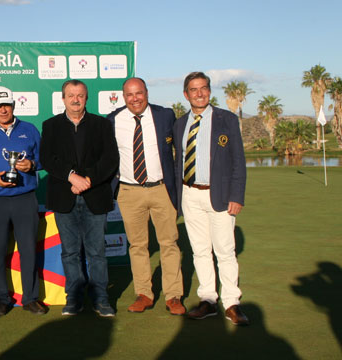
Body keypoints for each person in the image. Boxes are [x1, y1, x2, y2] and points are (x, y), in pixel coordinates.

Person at [174, 71, 248, 325]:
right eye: (194, 89)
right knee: (200, 251)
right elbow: (178, 163)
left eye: (203, 88)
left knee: (225, 251)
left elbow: (239, 161)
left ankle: (232, 303)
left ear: (209, 91)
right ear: (186, 94)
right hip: (190, 194)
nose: (199, 93)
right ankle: (208, 300)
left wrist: (237, 195)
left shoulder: (226, 119)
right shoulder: (180, 123)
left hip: (219, 195)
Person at [40, 80, 119, 317]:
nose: (76, 99)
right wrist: (71, 177)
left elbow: (110, 160)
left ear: (87, 98)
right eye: (71, 95)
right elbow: (47, 158)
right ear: (63, 98)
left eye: (80, 95)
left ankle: (101, 298)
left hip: (95, 196)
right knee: (70, 252)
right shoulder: (51, 125)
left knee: (97, 252)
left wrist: (87, 180)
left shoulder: (102, 125)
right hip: (65, 198)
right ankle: (73, 297)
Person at [107, 78, 185, 315]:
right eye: (129, 95)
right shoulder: (113, 121)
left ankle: (173, 296)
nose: (135, 99)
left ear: (147, 93)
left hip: (162, 189)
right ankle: (144, 294)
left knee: (169, 243)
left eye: (139, 93)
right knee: (137, 246)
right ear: (124, 97)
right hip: (129, 191)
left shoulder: (165, 116)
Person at [0, 86, 45, 316]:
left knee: (28, 250)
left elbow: (43, 159)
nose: (3, 110)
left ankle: (31, 298)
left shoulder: (29, 129)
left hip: (25, 198)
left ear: (13, 105)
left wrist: (32, 165)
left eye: (6, 105)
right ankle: (1, 298)